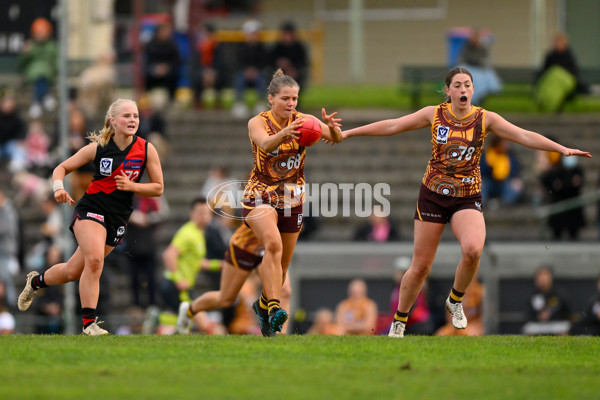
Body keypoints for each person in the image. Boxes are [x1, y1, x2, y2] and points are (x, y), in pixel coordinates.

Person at [339, 66, 591, 338]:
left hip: (466, 197)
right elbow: (392, 125)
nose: (463, 90)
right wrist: (350, 133)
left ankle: (455, 299)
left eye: (467, 85)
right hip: (433, 196)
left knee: (473, 250)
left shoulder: (485, 119)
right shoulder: (434, 114)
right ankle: (399, 322)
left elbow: (524, 135)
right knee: (420, 266)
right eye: (457, 85)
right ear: (448, 91)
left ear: (473, 90)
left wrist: (560, 148)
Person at [16, 98, 165, 336]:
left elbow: (158, 187)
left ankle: (36, 282)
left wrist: (132, 186)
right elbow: (61, 168)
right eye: (126, 116)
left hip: (118, 218)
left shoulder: (147, 149)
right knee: (95, 261)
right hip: (90, 209)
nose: (132, 120)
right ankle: (89, 324)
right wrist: (58, 188)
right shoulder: (98, 147)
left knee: (73, 271)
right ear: (112, 121)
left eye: (135, 116)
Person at [241, 68, 342, 334]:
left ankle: (263, 306)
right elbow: (265, 145)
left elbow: (336, 138)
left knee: (282, 267)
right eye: (285, 99)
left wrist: (331, 128)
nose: (291, 104)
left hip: (292, 199)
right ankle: (274, 307)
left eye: (294, 99)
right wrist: (285, 134)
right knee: (272, 244)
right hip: (260, 195)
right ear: (271, 99)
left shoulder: (304, 121)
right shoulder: (258, 122)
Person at [159, 197, 216, 315]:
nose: (205, 216)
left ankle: (158, 318)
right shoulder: (188, 233)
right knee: (197, 318)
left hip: (183, 285)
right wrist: (179, 279)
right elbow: (168, 255)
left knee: (187, 319)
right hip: (176, 285)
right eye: (201, 213)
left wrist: (223, 265)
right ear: (192, 214)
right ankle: (158, 318)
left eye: (208, 212)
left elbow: (198, 262)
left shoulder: (199, 233)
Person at [534, 32, 589, 112]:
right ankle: (552, 102)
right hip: (552, 81)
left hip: (565, 81)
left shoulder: (569, 55)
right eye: (557, 42)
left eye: (560, 42)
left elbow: (574, 72)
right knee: (554, 77)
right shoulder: (550, 55)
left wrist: (559, 72)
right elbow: (545, 70)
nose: (558, 44)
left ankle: (552, 103)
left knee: (557, 76)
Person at [539, 151, 585, 240]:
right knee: (557, 233)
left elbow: (576, 184)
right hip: (558, 207)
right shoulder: (556, 170)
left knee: (573, 234)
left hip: (573, 209)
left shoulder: (577, 171)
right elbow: (547, 182)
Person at [19, 17, 58, 119]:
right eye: (38, 32)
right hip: (33, 74)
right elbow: (22, 64)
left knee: (42, 73)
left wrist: (54, 72)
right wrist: (25, 53)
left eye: (43, 32)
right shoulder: (30, 46)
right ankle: (45, 97)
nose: (40, 35)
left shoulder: (52, 46)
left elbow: (56, 62)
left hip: (48, 74)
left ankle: (36, 101)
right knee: (38, 73)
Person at [385, 257, 433, 335]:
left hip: (418, 323)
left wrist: (398, 322)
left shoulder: (410, 287)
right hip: (406, 322)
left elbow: (410, 308)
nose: (395, 273)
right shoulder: (398, 287)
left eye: (398, 271)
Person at [232, 19, 268, 119]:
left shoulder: (262, 47)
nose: (253, 37)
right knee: (239, 78)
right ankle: (239, 104)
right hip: (244, 74)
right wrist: (247, 70)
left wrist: (255, 70)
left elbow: (264, 62)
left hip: (258, 74)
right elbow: (238, 63)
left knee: (262, 78)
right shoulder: (240, 47)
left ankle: (261, 103)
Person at [522, 266, 572, 335]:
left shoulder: (560, 293)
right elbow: (527, 314)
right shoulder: (533, 295)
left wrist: (553, 315)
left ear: (551, 278)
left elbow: (568, 311)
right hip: (538, 325)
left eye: (545, 276)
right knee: (528, 329)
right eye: (540, 276)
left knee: (564, 329)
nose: (542, 279)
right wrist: (538, 316)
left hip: (556, 324)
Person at [457, 28, 502, 105]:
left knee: (481, 80)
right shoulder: (466, 46)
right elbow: (462, 59)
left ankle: (477, 99)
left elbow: (485, 60)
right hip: (469, 68)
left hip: (480, 69)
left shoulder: (483, 47)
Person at [480, 135, 524, 207]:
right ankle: (484, 203)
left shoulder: (510, 155)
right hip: (489, 182)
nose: (506, 145)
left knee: (516, 186)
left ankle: (503, 203)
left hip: (505, 182)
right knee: (481, 185)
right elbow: (482, 172)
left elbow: (515, 171)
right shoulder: (487, 154)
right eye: (504, 143)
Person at [143, 23, 181, 101]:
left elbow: (176, 60)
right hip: (154, 70)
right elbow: (149, 60)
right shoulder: (151, 44)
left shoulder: (172, 44)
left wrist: (167, 67)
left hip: (168, 70)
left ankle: (171, 99)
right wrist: (156, 68)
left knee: (173, 77)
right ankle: (147, 100)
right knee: (147, 77)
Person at [270, 21, 309, 89]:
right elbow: (270, 61)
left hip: (295, 72)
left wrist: (293, 69)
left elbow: (303, 62)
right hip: (279, 72)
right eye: (286, 34)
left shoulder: (299, 48)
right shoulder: (277, 47)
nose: (288, 37)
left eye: (289, 34)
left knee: (299, 77)